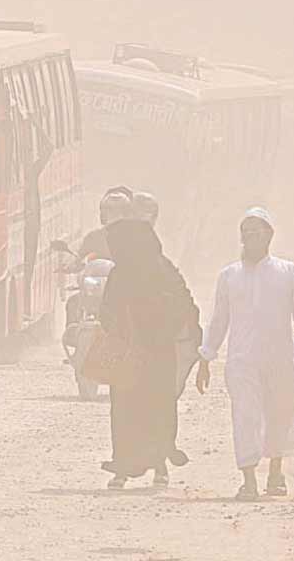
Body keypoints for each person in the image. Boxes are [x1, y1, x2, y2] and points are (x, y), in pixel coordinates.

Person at [197, 207, 294, 501]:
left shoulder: (290, 272)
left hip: (280, 358)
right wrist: (206, 357)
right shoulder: (228, 276)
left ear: (269, 235)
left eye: (255, 232)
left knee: (280, 415)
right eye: (245, 233)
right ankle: (248, 479)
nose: (249, 238)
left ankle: (275, 473)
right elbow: (219, 321)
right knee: (245, 415)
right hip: (242, 361)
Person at [99, 218, 201, 489]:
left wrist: (153, 321)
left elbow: (182, 303)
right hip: (133, 353)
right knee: (130, 410)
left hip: (155, 352)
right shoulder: (121, 273)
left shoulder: (161, 269)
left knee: (155, 407)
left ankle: (159, 464)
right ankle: (123, 467)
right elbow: (106, 310)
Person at [65, 188, 134, 326]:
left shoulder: (136, 238)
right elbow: (77, 258)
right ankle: (73, 332)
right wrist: (72, 265)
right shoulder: (93, 237)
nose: (114, 218)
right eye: (110, 212)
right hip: (95, 291)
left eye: (119, 213)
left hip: (126, 291)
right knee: (73, 303)